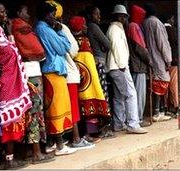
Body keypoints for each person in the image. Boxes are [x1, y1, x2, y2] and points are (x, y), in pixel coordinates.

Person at [0, 2, 32, 169]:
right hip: (5, 82)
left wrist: (8, 31)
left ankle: (9, 157)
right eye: (2, 11)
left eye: (5, 11)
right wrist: (8, 33)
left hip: (9, 81)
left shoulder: (0, 29)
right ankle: (9, 160)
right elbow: (6, 53)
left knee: (11, 121)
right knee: (7, 122)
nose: (5, 14)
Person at [46, 0, 95, 149]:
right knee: (73, 108)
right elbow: (73, 50)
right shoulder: (62, 28)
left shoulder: (47, 29)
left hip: (61, 73)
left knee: (61, 109)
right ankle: (76, 139)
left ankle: (62, 140)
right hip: (68, 73)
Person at [11, 4, 54, 164]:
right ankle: (36, 153)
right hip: (31, 74)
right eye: (25, 11)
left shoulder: (17, 27)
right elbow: (38, 52)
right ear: (18, 12)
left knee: (31, 112)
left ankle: (29, 152)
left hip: (28, 73)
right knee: (34, 112)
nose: (28, 15)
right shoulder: (21, 27)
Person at [35, 2, 76, 156]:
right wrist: (60, 31)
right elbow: (64, 48)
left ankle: (52, 143)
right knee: (56, 108)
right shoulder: (44, 29)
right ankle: (59, 145)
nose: (54, 17)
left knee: (54, 107)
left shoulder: (42, 28)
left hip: (53, 71)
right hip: (53, 71)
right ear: (46, 15)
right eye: (52, 14)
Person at [69, 16, 114, 140]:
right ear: (80, 27)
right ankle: (91, 133)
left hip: (80, 80)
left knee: (82, 108)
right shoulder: (84, 41)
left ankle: (87, 133)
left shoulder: (73, 41)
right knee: (92, 106)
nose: (86, 27)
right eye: (84, 25)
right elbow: (88, 62)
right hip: (89, 80)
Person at [107, 4, 148, 134]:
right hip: (120, 67)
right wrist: (123, 66)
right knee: (130, 94)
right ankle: (132, 124)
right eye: (124, 17)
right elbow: (117, 49)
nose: (125, 20)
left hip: (116, 67)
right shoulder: (115, 29)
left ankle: (119, 123)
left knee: (119, 96)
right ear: (119, 17)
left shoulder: (116, 28)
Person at [85, 5, 115, 139]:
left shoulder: (87, 30)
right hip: (99, 64)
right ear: (90, 16)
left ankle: (93, 130)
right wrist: (103, 49)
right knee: (102, 97)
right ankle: (103, 128)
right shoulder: (93, 27)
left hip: (91, 65)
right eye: (97, 14)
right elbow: (108, 44)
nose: (99, 17)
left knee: (93, 100)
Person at [143, 3, 172, 121]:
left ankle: (156, 111)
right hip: (158, 58)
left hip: (149, 58)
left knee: (153, 84)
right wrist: (168, 59)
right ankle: (157, 112)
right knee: (160, 83)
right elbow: (162, 43)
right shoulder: (157, 23)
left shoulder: (144, 23)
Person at [127, 4, 152, 127]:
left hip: (136, 65)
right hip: (139, 66)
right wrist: (149, 61)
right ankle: (138, 119)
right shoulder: (134, 27)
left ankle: (138, 118)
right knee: (139, 94)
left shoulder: (133, 26)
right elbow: (140, 48)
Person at [164, 14, 180, 115]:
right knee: (174, 85)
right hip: (173, 60)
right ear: (169, 19)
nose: (174, 21)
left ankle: (166, 106)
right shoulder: (172, 30)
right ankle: (176, 106)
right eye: (173, 19)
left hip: (164, 61)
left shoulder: (162, 29)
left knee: (166, 85)